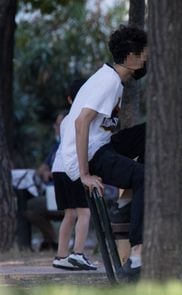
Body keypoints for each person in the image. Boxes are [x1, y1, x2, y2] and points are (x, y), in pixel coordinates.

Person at [55, 25, 148, 280]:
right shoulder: (108, 82)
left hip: (101, 144)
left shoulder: (111, 78)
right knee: (144, 176)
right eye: (143, 54)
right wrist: (84, 174)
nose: (146, 59)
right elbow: (81, 122)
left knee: (151, 133)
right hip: (89, 154)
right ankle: (138, 256)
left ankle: (126, 203)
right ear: (130, 57)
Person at [52, 78, 97, 270]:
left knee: (69, 214)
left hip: (58, 168)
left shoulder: (65, 120)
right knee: (84, 212)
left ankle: (61, 256)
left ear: (70, 99)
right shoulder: (86, 117)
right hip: (73, 168)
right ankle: (78, 254)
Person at [23, 112, 65, 251]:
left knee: (32, 206)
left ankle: (54, 241)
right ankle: (51, 239)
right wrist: (46, 172)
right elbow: (42, 168)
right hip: (51, 192)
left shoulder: (68, 145)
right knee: (30, 207)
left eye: (58, 124)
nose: (55, 127)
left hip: (63, 193)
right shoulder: (56, 145)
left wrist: (52, 174)